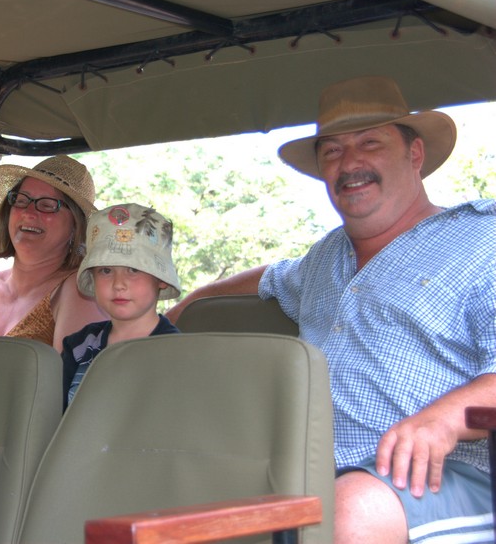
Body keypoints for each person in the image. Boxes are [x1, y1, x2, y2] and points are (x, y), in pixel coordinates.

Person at [166, 76, 496, 543]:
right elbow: (267, 277)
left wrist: (443, 419)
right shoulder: (324, 258)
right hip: (309, 479)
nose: (350, 162)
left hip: (447, 479)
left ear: (415, 153)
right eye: (333, 151)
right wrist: (173, 314)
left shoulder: (482, 239)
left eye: (370, 143)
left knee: (350, 509)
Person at [0, 154, 107, 352]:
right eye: (21, 201)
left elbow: (70, 372)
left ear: (75, 226)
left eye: (47, 205)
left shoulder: (80, 291)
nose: (29, 212)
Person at [62, 203, 180, 410]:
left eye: (133, 270)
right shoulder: (79, 346)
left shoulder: (179, 352)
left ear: (161, 279)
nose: (118, 284)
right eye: (106, 271)